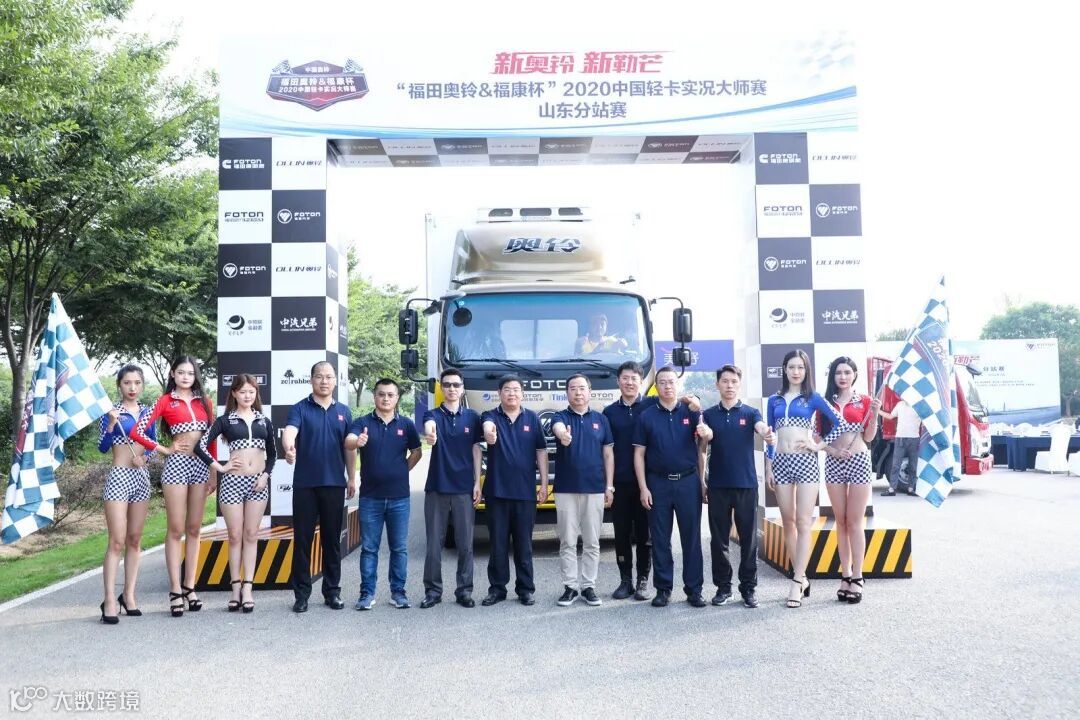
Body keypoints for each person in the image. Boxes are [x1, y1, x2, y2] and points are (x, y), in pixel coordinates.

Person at [603, 361, 701, 601]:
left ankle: (686, 589)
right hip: (642, 482)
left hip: (676, 481)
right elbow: (625, 452)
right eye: (625, 378)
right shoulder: (624, 413)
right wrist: (625, 486)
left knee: (679, 538)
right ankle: (648, 585)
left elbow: (702, 441)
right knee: (646, 536)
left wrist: (695, 401)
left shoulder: (679, 409)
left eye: (634, 379)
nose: (629, 382)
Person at [131, 356, 214, 618]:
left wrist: (214, 471)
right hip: (177, 465)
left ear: (195, 375)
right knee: (176, 528)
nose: (186, 377)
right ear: (173, 374)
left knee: (194, 528)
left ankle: (190, 587)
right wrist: (164, 449)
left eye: (190, 373)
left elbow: (211, 439)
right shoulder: (165, 401)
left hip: (201, 466)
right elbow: (137, 431)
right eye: (181, 372)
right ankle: (175, 590)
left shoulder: (205, 401)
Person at [764, 349, 841, 609]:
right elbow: (770, 436)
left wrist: (818, 446)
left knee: (803, 521)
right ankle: (802, 576)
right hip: (781, 463)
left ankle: (796, 581)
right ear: (784, 370)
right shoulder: (774, 400)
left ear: (806, 371)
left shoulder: (813, 398)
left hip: (806, 463)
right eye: (791, 367)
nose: (796, 372)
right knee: (788, 521)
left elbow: (840, 423)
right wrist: (769, 466)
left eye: (800, 367)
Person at [633, 366, 713, 608]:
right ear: (656, 386)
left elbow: (702, 448)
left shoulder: (691, 412)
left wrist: (702, 481)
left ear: (678, 385)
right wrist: (643, 488)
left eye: (671, 382)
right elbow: (639, 454)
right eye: (662, 382)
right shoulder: (646, 416)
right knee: (660, 538)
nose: (667, 386)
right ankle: (663, 588)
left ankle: (694, 590)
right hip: (657, 483)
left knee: (691, 538)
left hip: (688, 481)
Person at [196, 374, 276, 613]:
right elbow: (200, 446)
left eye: (251, 391)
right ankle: (235, 590)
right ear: (234, 393)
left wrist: (265, 476)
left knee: (251, 535)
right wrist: (220, 467)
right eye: (242, 392)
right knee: (234, 536)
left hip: (258, 483)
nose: (247, 396)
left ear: (256, 394)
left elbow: (273, 454)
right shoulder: (225, 420)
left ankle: (248, 589)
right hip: (232, 482)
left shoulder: (264, 421)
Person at [282, 361, 357, 613]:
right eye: (319, 376)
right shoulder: (300, 408)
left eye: (328, 377)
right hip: (305, 485)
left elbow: (349, 448)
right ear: (311, 379)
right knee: (302, 540)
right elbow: (290, 431)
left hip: (334, 484)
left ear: (335, 380)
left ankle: (332, 592)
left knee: (331, 541)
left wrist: (351, 477)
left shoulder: (344, 412)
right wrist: (289, 447)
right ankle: (301, 595)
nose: (324, 381)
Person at [698, 365, 775, 609]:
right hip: (718, 486)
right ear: (717, 384)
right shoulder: (709, 415)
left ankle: (748, 589)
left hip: (746, 485)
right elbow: (703, 446)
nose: (729, 385)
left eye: (733, 381)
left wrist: (766, 433)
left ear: (739, 384)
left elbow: (761, 427)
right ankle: (723, 588)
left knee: (748, 541)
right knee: (719, 541)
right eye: (725, 381)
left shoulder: (751, 413)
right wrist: (702, 480)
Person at [346, 379, 422, 610]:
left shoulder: (406, 424)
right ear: (375, 397)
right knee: (369, 548)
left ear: (397, 398)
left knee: (399, 548)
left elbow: (417, 452)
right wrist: (357, 441)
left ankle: (398, 592)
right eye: (381, 394)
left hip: (399, 498)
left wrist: (401, 470)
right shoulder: (362, 423)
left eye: (390, 394)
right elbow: (348, 442)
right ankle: (367, 594)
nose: (386, 398)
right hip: (371, 498)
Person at [480, 374, 549, 606]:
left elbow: (541, 451)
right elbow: (487, 427)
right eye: (507, 389)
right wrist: (489, 433)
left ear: (522, 393)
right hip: (496, 492)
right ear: (499, 393)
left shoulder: (532, 418)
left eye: (516, 389)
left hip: (525, 492)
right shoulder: (491, 415)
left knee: (524, 544)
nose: (512, 393)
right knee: (498, 544)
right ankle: (497, 589)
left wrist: (543, 484)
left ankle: (525, 589)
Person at [818, 357, 880, 604]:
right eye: (838, 373)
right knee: (841, 521)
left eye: (847, 372)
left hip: (859, 461)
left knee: (855, 521)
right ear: (833, 376)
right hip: (834, 462)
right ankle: (844, 575)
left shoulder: (864, 400)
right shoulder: (825, 403)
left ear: (854, 375)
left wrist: (874, 413)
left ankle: (858, 577)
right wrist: (833, 451)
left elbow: (869, 437)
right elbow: (818, 436)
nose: (842, 377)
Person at [420, 369, 483, 609]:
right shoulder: (432, 414)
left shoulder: (472, 417)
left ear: (462, 388)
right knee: (434, 544)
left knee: (465, 544)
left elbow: (476, 449)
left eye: (456, 385)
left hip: (464, 488)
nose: (452, 389)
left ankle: (464, 591)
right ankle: (433, 591)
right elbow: (429, 427)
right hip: (437, 486)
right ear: (441, 388)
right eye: (447, 385)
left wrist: (477, 482)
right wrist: (430, 435)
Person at [550, 374, 614, 607]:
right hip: (566, 489)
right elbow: (557, 428)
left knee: (592, 542)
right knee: (567, 541)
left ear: (590, 391)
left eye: (582, 388)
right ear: (567, 392)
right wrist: (563, 435)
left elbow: (608, 454)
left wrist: (609, 486)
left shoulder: (601, 419)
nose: (578, 392)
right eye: (573, 388)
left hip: (595, 488)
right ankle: (570, 587)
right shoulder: (560, 417)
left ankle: (588, 586)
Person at [98, 365, 155, 624]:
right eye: (127, 383)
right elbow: (102, 447)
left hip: (140, 478)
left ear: (142, 385)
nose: (132, 387)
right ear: (119, 385)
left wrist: (146, 457)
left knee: (134, 539)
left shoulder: (147, 412)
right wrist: (111, 424)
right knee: (117, 541)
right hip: (119, 477)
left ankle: (128, 595)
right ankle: (109, 599)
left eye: (137, 383)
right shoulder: (111, 411)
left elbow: (152, 443)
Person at [879, 399, 921, 496]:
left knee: (913, 466)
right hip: (900, 439)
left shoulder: (918, 405)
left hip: (914, 439)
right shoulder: (900, 404)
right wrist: (878, 410)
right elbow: (890, 416)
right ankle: (892, 489)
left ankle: (911, 489)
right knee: (895, 465)